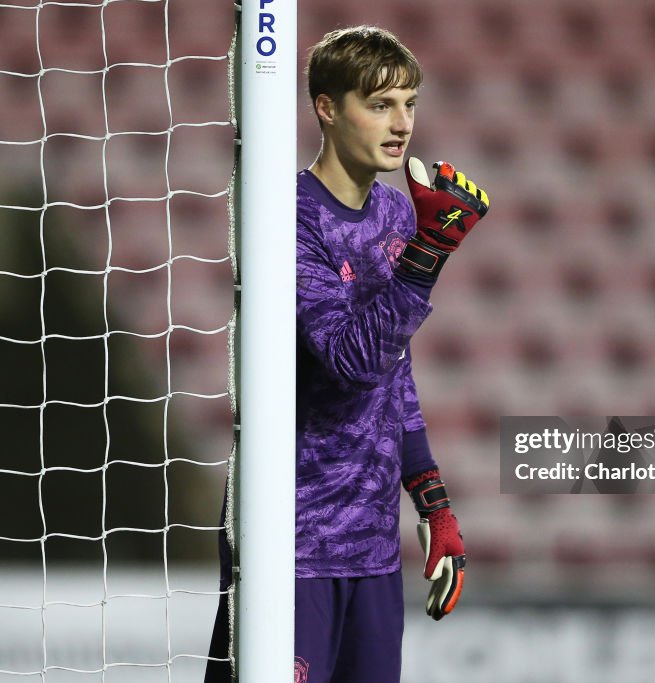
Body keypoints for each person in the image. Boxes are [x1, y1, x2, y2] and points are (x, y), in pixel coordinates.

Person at [206, 24, 490, 683]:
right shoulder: (286, 214)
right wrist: (429, 255)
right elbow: (348, 357)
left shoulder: (396, 216)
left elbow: (392, 373)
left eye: (410, 103)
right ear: (327, 108)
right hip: (288, 539)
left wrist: (433, 500)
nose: (402, 123)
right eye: (380, 103)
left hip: (370, 542)